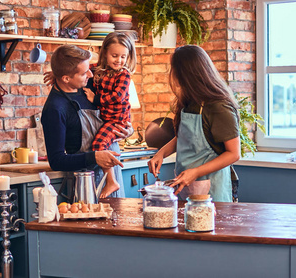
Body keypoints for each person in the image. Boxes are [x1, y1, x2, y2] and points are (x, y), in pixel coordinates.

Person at [147, 45, 240, 202]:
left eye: (173, 69)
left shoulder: (218, 106)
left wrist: (196, 172)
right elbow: (184, 138)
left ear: (185, 73)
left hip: (213, 188)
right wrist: (161, 153)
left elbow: (233, 153)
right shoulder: (189, 102)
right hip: (188, 184)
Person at [41, 44, 132, 199]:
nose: (90, 74)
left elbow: (117, 105)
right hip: (86, 184)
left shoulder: (87, 86)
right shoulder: (55, 109)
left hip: (113, 173)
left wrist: (128, 131)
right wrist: (94, 157)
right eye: (84, 73)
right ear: (66, 78)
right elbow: (56, 161)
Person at [82, 32, 137, 198]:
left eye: (123, 57)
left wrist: (95, 98)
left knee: (98, 145)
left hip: (116, 120)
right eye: (114, 55)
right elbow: (77, 68)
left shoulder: (123, 74)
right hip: (108, 121)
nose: (119, 60)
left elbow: (118, 97)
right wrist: (56, 74)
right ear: (105, 52)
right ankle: (111, 181)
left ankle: (111, 181)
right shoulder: (96, 72)